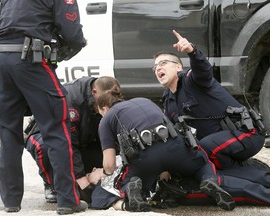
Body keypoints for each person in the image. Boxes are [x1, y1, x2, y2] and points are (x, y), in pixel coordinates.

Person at [0, 0, 87, 214]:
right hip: (31, 60)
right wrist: (77, 44)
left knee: (8, 132)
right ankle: (68, 200)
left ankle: (11, 201)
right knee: (57, 127)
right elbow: (71, 32)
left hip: (2, 60)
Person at [96, 82, 236, 211]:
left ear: (104, 109)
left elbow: (109, 165)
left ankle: (132, 190)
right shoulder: (144, 100)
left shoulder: (106, 120)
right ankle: (208, 180)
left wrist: (105, 174)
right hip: (175, 147)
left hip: (144, 158)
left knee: (126, 181)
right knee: (202, 164)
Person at [153, 30, 265, 170]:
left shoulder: (191, 80)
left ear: (178, 67)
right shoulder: (168, 100)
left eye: (163, 63)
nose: (158, 68)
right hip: (221, 143)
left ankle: (250, 178)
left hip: (248, 133)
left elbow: (203, 70)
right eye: (155, 67)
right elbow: (174, 136)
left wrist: (192, 51)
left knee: (207, 150)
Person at [24, 76, 121, 204]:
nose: (106, 106)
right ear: (94, 93)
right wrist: (82, 181)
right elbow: (69, 143)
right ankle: (51, 184)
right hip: (49, 136)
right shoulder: (73, 100)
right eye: (104, 103)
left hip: (84, 139)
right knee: (46, 148)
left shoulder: (105, 94)